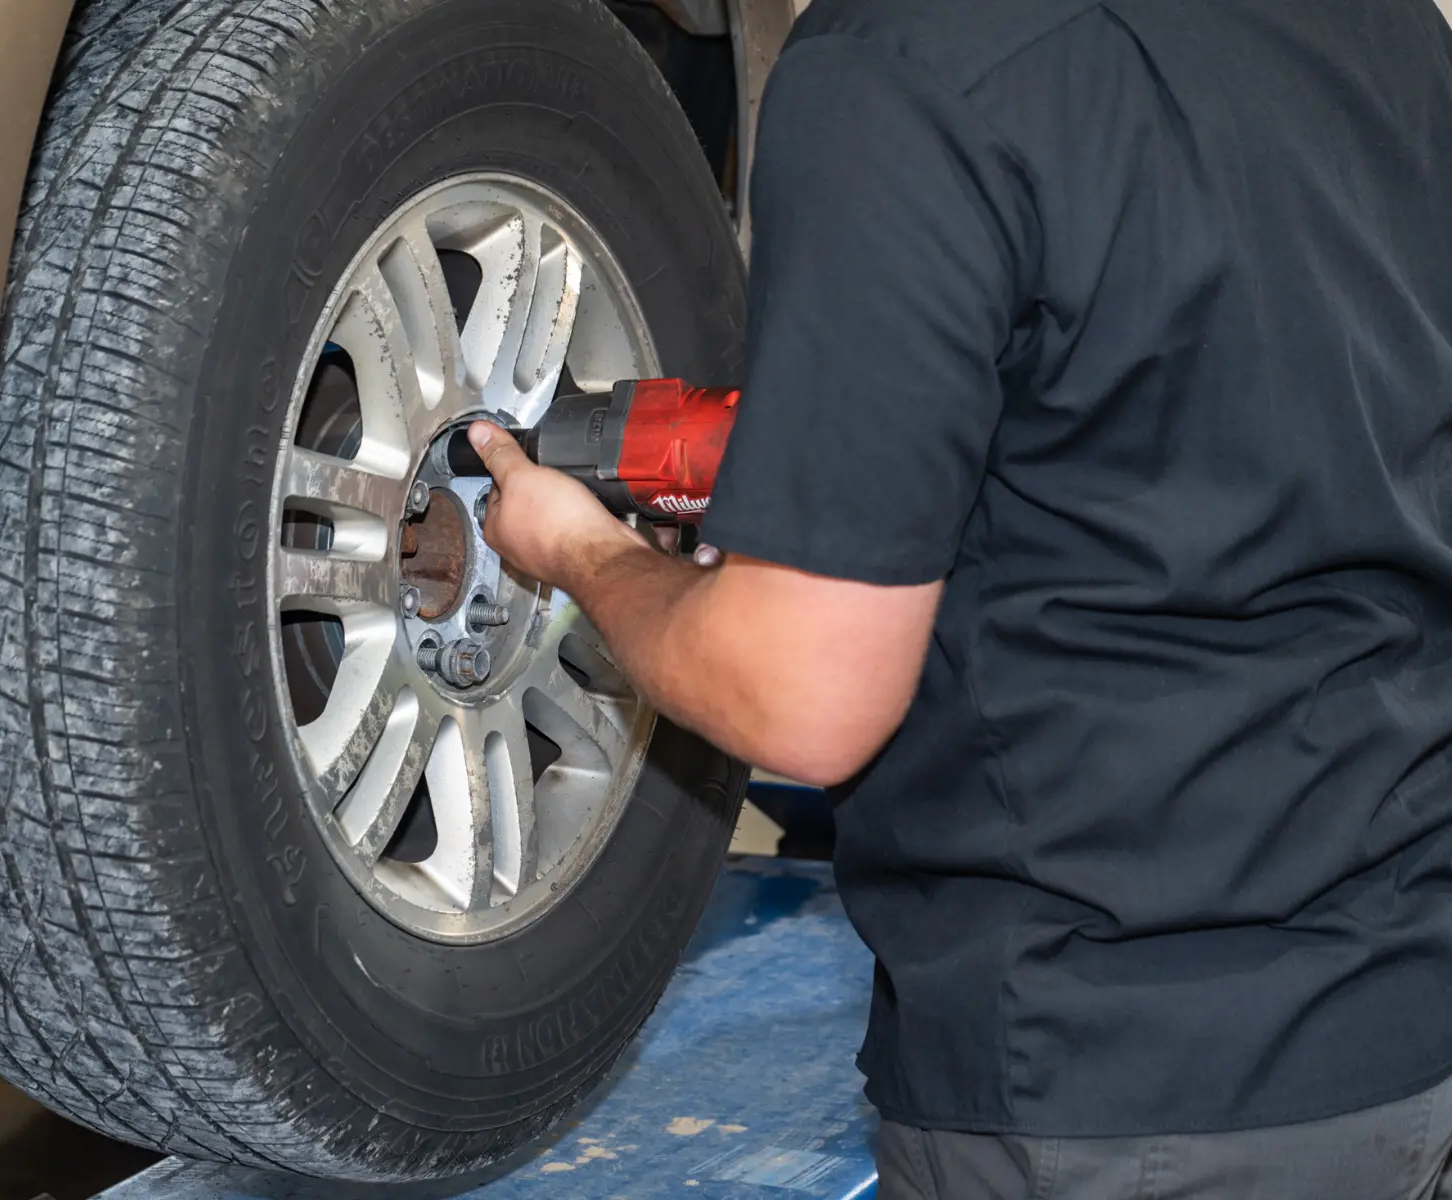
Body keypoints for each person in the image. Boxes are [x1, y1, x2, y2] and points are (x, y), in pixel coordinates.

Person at [465, 0, 1452, 1195]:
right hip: (1398, 1034)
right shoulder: (1382, 25)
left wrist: (581, 557)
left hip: (1108, 1096)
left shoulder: (905, 63)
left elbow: (803, 697)